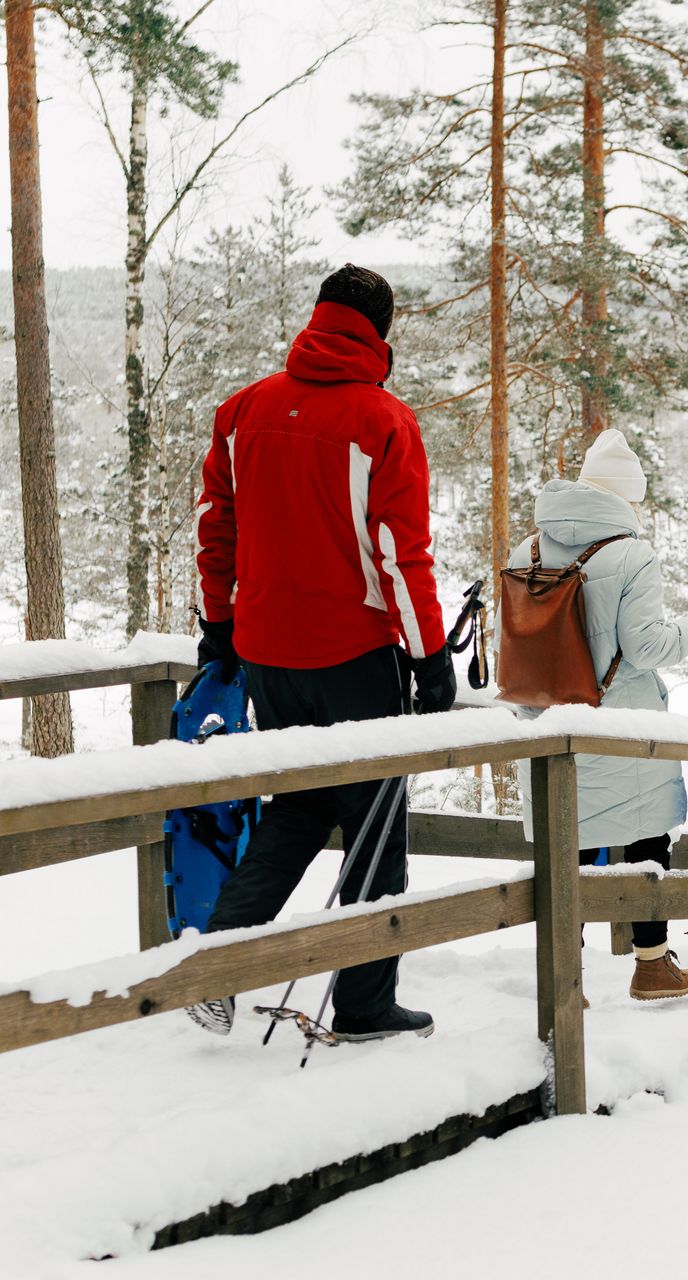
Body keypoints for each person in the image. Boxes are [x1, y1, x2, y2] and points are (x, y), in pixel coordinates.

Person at [187, 265, 453, 1042]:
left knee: (299, 807)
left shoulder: (244, 410)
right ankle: (366, 1006)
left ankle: (218, 966)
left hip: (269, 654)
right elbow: (401, 553)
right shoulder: (381, 421)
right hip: (352, 658)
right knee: (376, 828)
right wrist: (429, 657)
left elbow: (216, 528)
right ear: (382, 331)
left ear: (318, 318)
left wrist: (220, 625)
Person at [509, 429, 688, 1001]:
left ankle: (563, 971)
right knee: (646, 840)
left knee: (568, 845)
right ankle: (652, 965)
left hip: (548, 723)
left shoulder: (527, 549)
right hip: (621, 726)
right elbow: (646, 648)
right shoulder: (633, 553)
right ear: (625, 497)